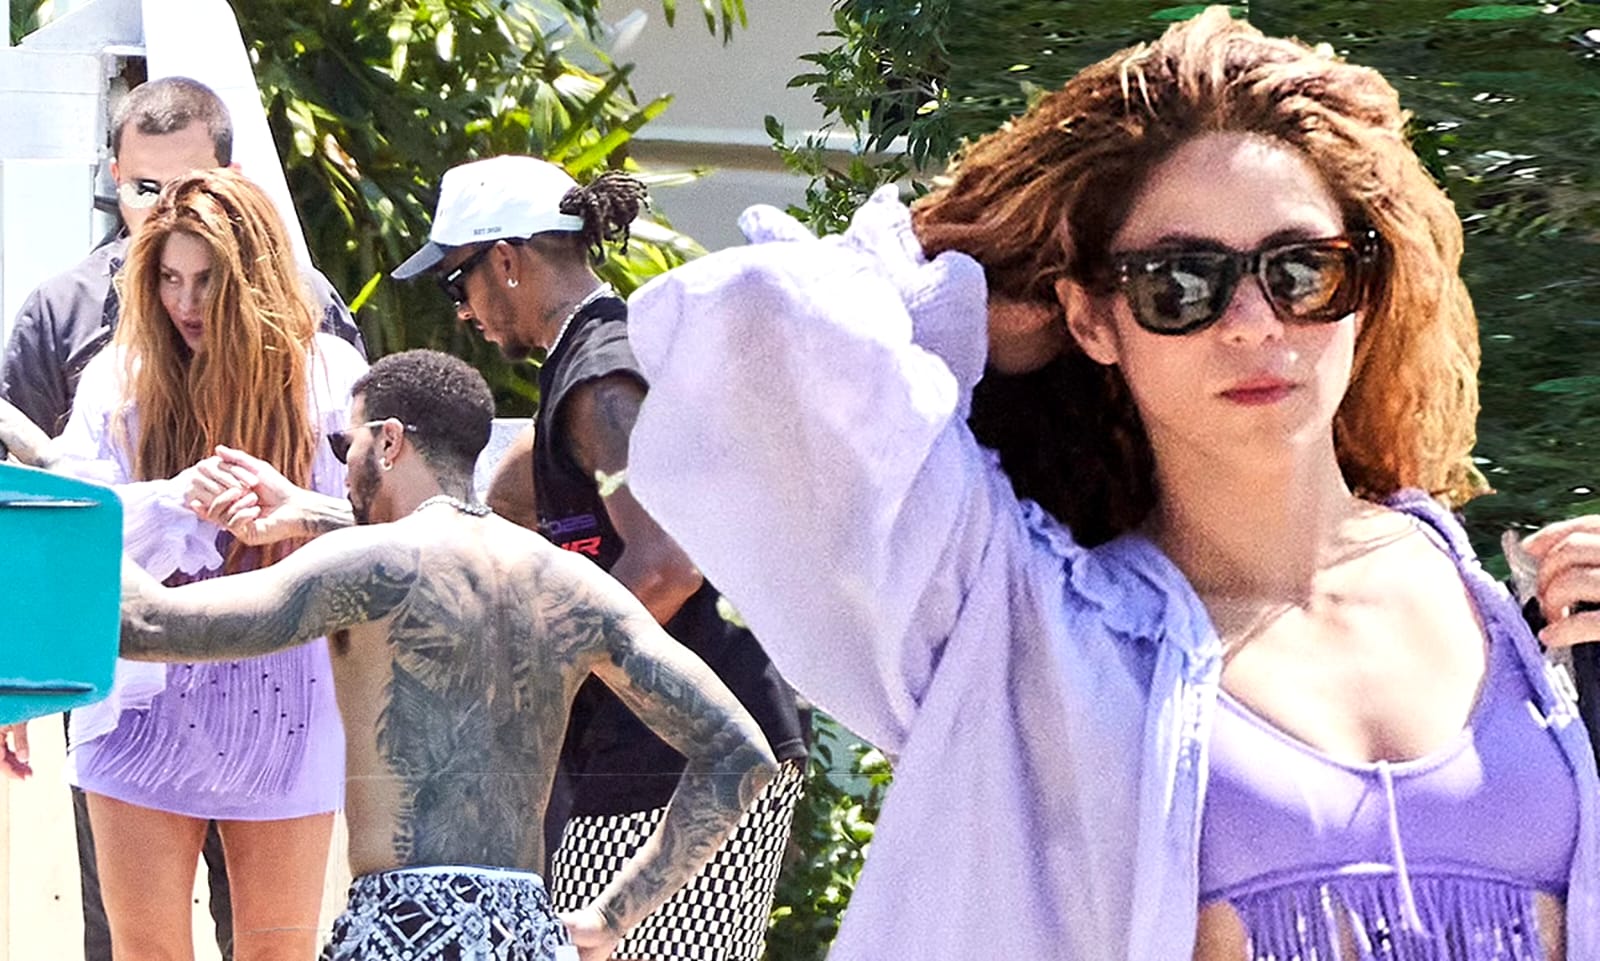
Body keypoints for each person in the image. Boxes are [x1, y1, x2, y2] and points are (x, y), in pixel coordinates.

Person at [618, 8, 1599, 961]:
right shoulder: (1029, 625)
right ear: (1090, 318)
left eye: (1302, 271)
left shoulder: (1513, 614)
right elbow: (761, 337)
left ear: (1364, 288)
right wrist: (972, 288)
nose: (1254, 322)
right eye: (1179, 283)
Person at [118, 348, 778, 961]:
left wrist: (101, 506)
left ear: (389, 440)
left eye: (346, 444)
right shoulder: (574, 587)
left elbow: (146, 624)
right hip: (525, 932)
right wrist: (612, 917)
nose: (342, 467)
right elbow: (738, 750)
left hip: (401, 928)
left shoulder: (364, 565)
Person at [392, 155, 808, 961]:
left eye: (456, 282)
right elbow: (495, 515)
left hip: (681, 763)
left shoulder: (601, 376)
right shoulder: (593, 366)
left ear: (505, 260)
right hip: (665, 755)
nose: (463, 312)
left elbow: (666, 564)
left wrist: (536, 681)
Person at [0, 74, 363, 961]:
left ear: (256, 281)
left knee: (275, 951)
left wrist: (297, 511)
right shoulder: (116, 375)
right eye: (168, 278)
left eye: (208, 281)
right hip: (140, 697)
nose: (186, 303)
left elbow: (389, 537)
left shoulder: (327, 376)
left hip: (286, 696)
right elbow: (66, 525)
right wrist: (171, 500)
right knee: (142, 952)